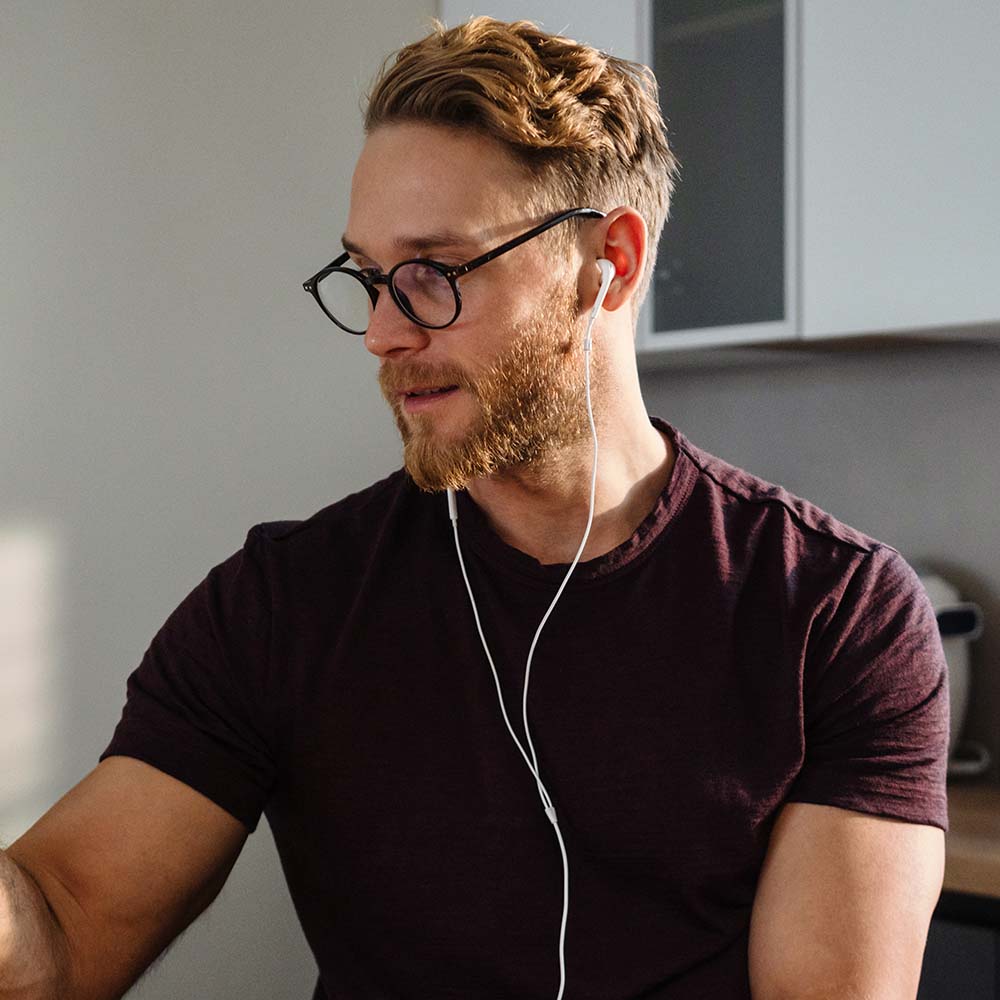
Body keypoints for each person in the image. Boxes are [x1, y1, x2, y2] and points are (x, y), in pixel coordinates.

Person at [0, 16, 949, 1000]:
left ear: (608, 262)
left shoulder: (835, 612)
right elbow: (63, 929)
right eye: (369, 277)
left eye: (433, 273)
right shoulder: (281, 605)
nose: (379, 333)